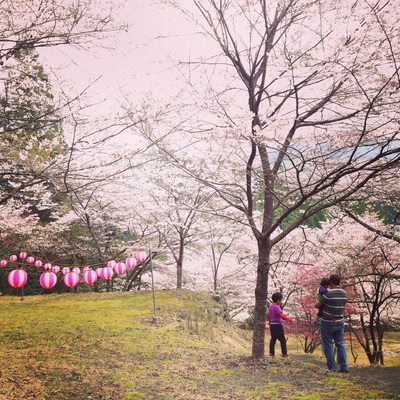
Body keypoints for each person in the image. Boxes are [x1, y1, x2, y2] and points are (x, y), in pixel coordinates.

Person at [315, 274, 349, 373]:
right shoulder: (344, 293)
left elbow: (316, 305)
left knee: (328, 344)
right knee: (340, 344)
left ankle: (332, 367)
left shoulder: (328, 294)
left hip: (327, 323)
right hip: (339, 321)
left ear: (330, 282)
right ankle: (344, 366)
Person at [268, 292, 294, 358]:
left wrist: (270, 323)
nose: (281, 301)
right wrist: (290, 320)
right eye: (281, 300)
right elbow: (281, 316)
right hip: (277, 325)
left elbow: (269, 316)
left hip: (272, 325)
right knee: (282, 340)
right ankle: (284, 354)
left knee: (273, 339)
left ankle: (271, 353)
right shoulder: (277, 307)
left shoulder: (271, 307)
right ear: (278, 300)